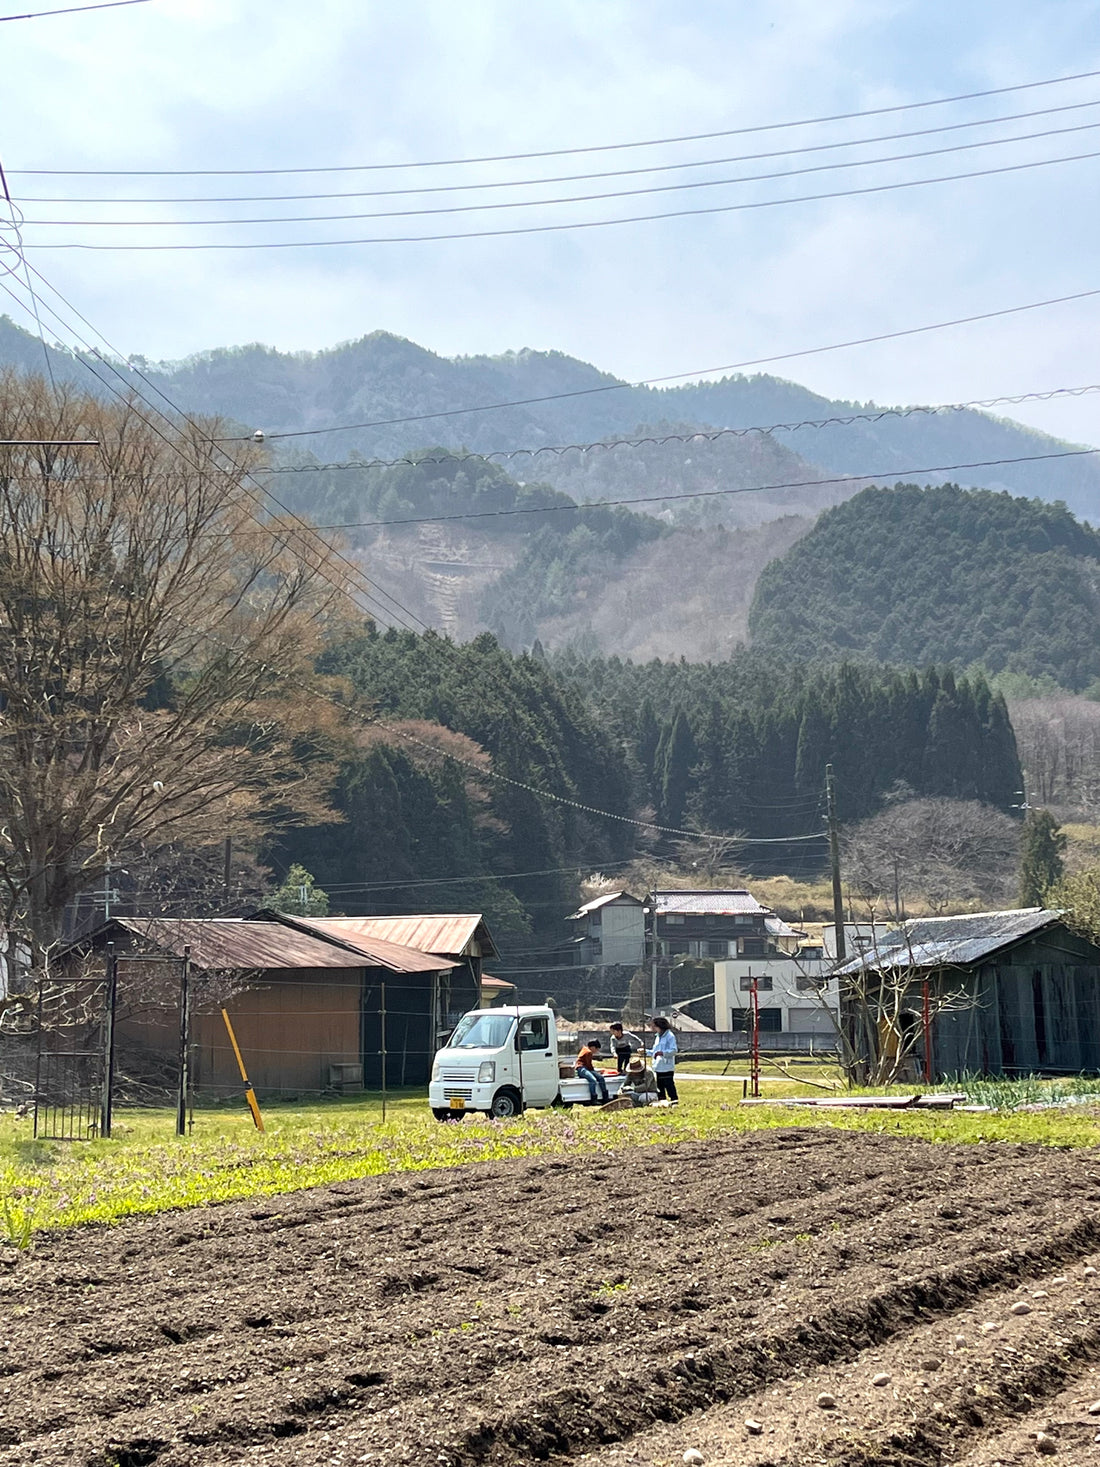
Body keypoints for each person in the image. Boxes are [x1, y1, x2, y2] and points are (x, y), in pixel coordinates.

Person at [650, 1016, 679, 1103]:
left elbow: (673, 1050)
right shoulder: (657, 1037)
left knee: (669, 1084)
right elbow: (655, 1051)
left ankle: (674, 1100)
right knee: (659, 1085)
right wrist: (645, 1052)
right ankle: (662, 1100)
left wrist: (663, 1053)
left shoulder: (670, 1036)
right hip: (658, 1066)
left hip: (667, 1066)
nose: (654, 1028)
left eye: (655, 1026)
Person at [574, 1036, 610, 1104]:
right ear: (593, 1047)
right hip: (581, 1068)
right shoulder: (588, 1052)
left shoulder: (585, 1048)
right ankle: (594, 1099)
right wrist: (595, 1071)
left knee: (601, 1078)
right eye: (596, 1049)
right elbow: (589, 1065)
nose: (596, 1051)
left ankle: (605, 1097)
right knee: (593, 1080)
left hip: (585, 1068)